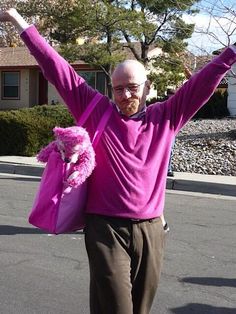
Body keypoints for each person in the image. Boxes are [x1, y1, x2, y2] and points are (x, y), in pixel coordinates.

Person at [1, 8, 236, 314]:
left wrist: (231, 51)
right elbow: (55, 67)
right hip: (105, 228)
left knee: (140, 308)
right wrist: (19, 21)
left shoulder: (166, 116)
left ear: (148, 88)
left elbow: (203, 83)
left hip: (151, 229)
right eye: (119, 88)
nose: (125, 95)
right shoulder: (95, 109)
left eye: (133, 87)